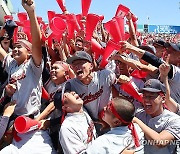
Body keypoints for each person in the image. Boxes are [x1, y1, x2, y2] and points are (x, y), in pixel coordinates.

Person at [0, 0, 56, 153]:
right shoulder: (11, 64)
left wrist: (31, 13)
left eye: (20, 47)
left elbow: (37, 44)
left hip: (32, 122)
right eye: (14, 46)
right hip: (12, 120)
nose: (15, 49)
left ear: (29, 53)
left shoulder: (33, 66)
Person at [135, 78, 180, 154]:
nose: (146, 100)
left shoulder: (174, 120)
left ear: (163, 99)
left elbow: (160, 142)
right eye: (145, 96)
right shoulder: (139, 114)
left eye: (151, 96)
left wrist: (136, 121)